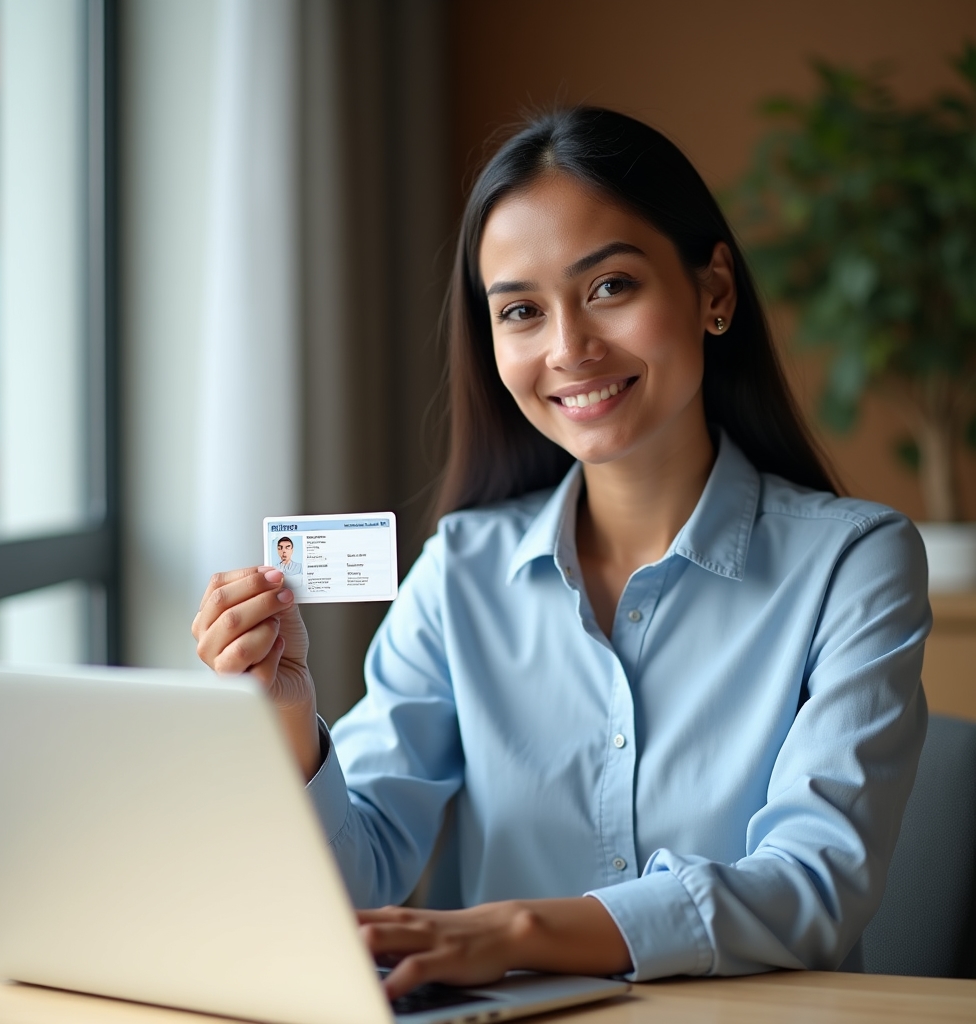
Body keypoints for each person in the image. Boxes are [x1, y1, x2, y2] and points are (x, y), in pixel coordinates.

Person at [191, 108, 929, 999]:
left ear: (715, 291)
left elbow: (813, 886)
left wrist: (517, 932)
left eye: (611, 286)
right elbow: (355, 881)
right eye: (521, 311)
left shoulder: (857, 563)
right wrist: (287, 717)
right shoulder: (461, 571)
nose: (569, 349)